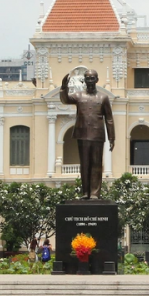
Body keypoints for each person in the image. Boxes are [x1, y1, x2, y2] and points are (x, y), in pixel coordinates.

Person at [59, 69, 115, 199]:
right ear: (84, 80)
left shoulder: (103, 97)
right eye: (88, 78)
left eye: (92, 78)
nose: (90, 80)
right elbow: (65, 99)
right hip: (82, 134)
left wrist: (112, 137)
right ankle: (85, 193)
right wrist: (63, 86)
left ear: (97, 80)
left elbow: (109, 118)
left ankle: (95, 193)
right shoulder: (79, 96)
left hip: (97, 135)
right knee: (84, 165)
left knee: (96, 164)